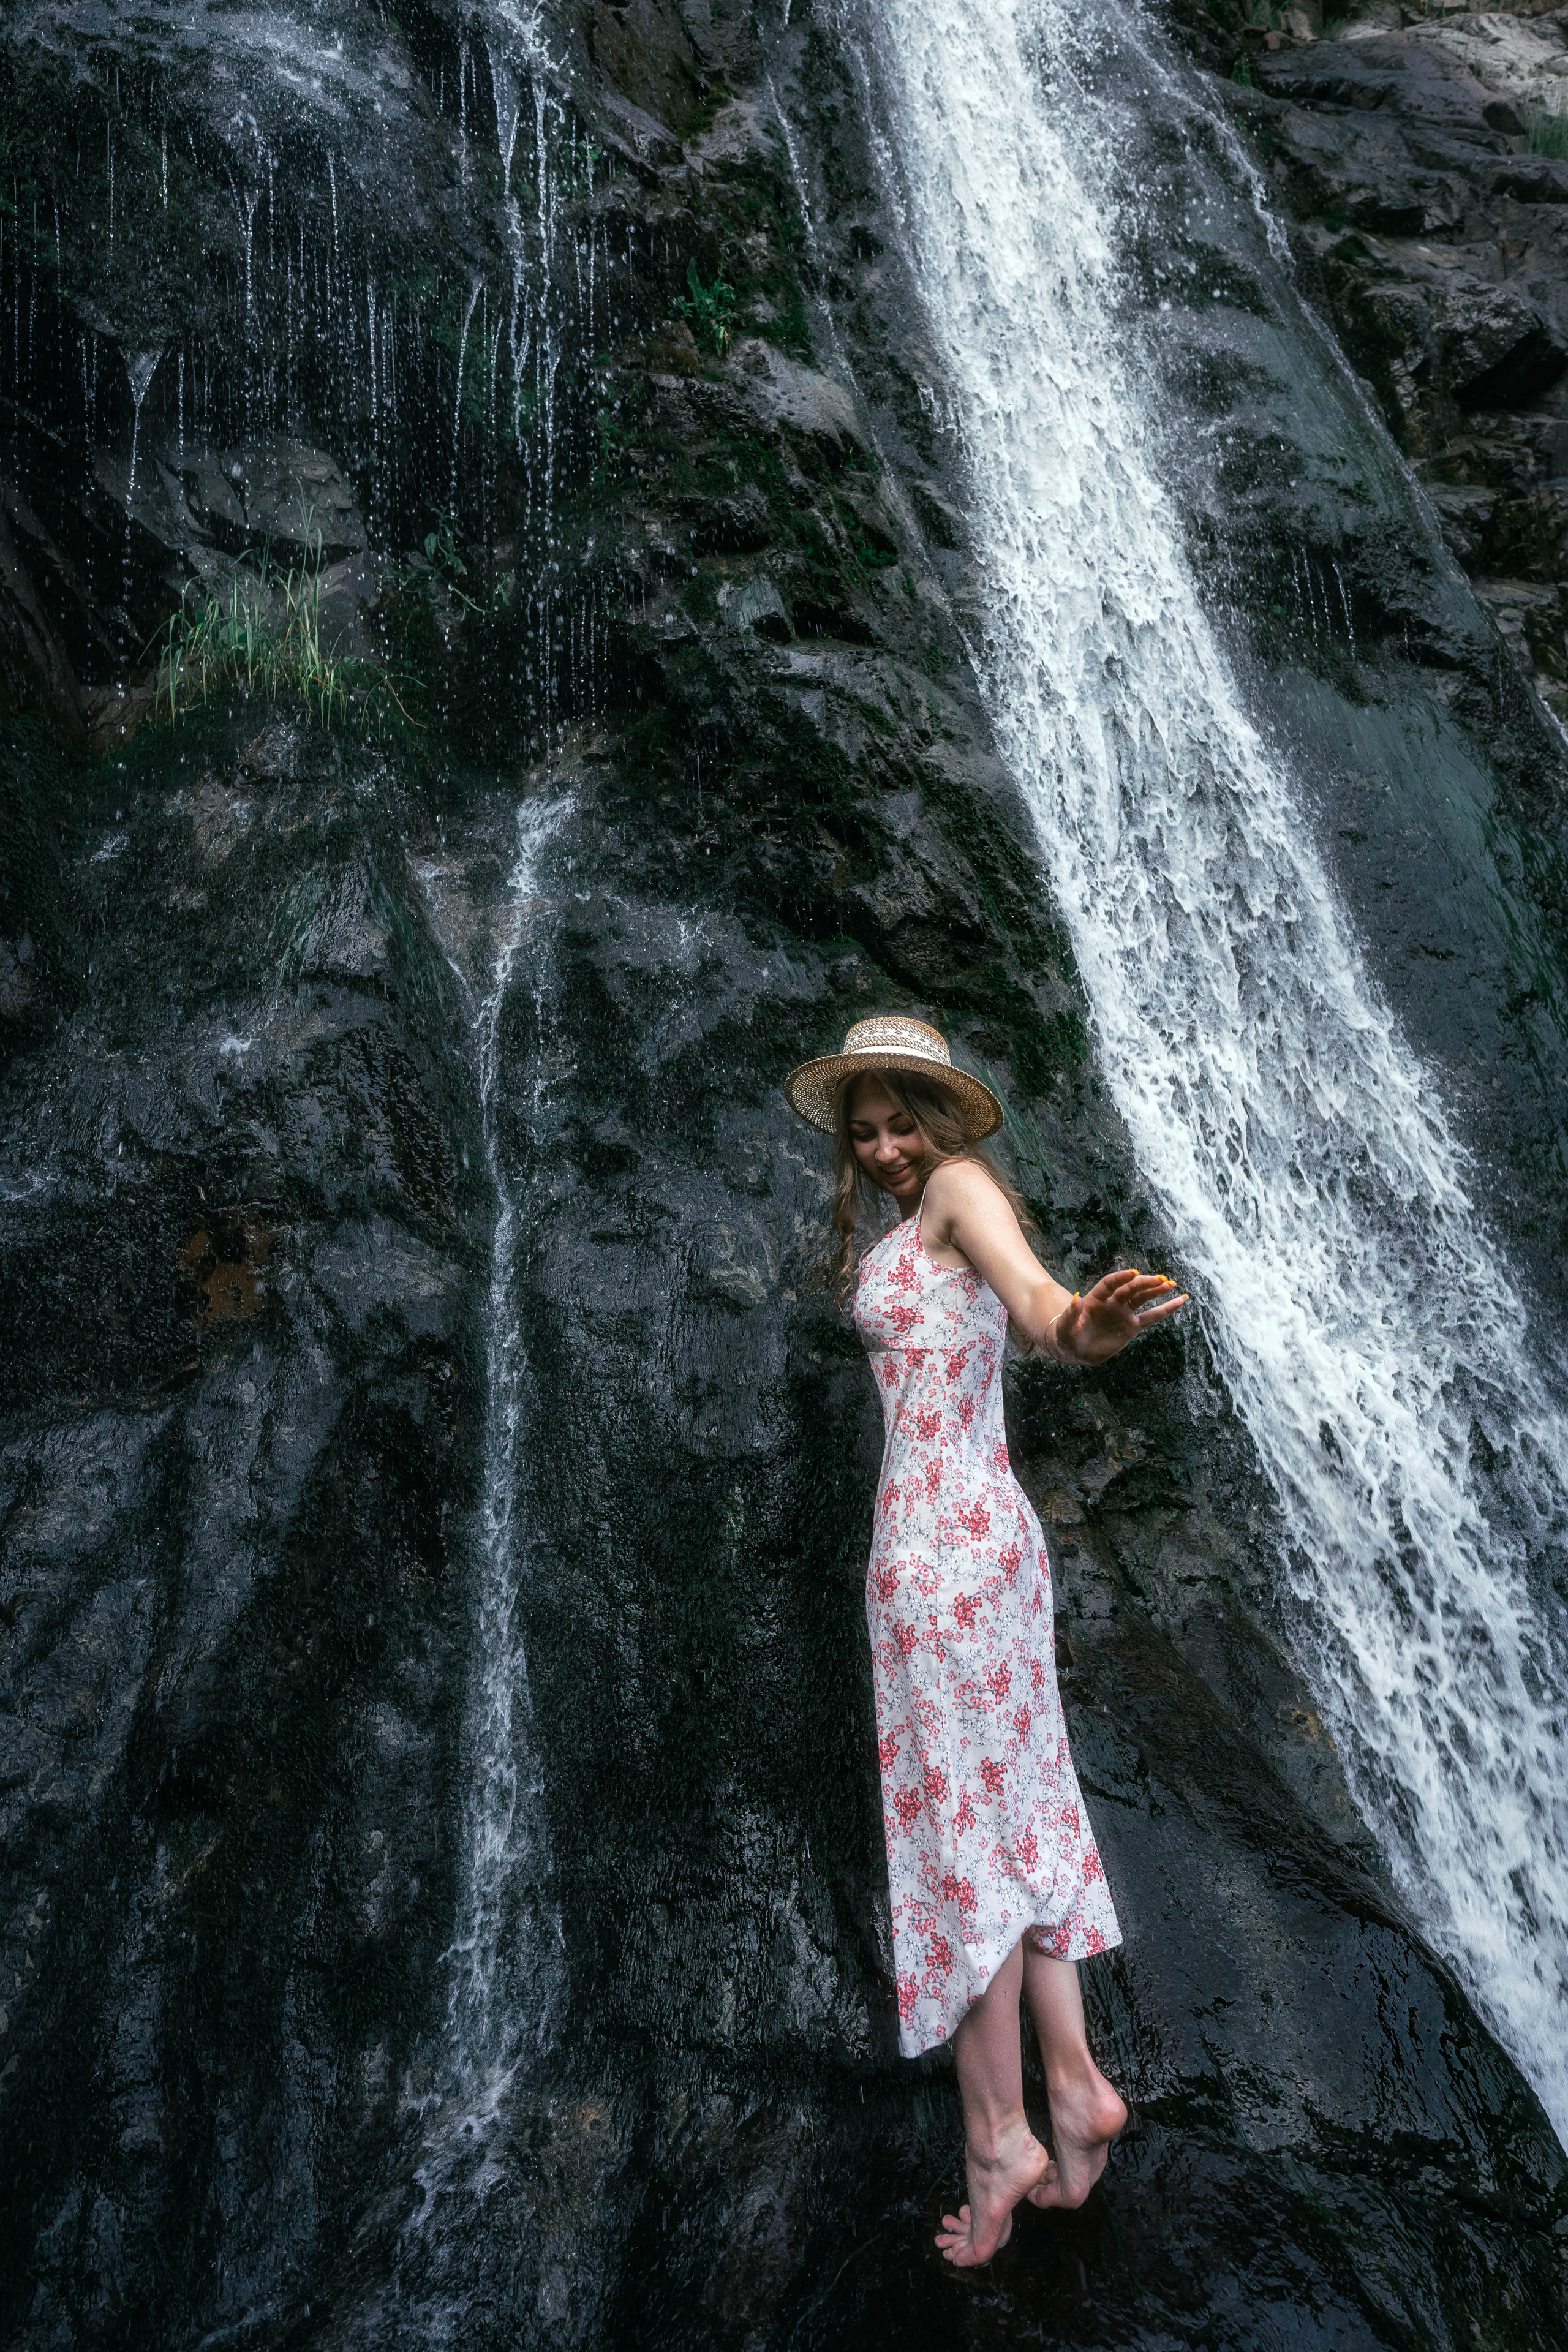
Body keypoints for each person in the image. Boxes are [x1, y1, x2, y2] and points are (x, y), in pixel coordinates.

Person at [783, 1013, 1188, 2267]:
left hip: (941, 1557)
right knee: (1009, 1821)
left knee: (960, 1841)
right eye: (865, 1132)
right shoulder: (900, 1226)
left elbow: (1042, 1309)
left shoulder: (959, 1189)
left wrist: (1090, 1328)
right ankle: (1073, 2094)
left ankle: (997, 2137)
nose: (887, 1146)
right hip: (969, 1550)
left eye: (903, 1121)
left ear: (943, 1116)